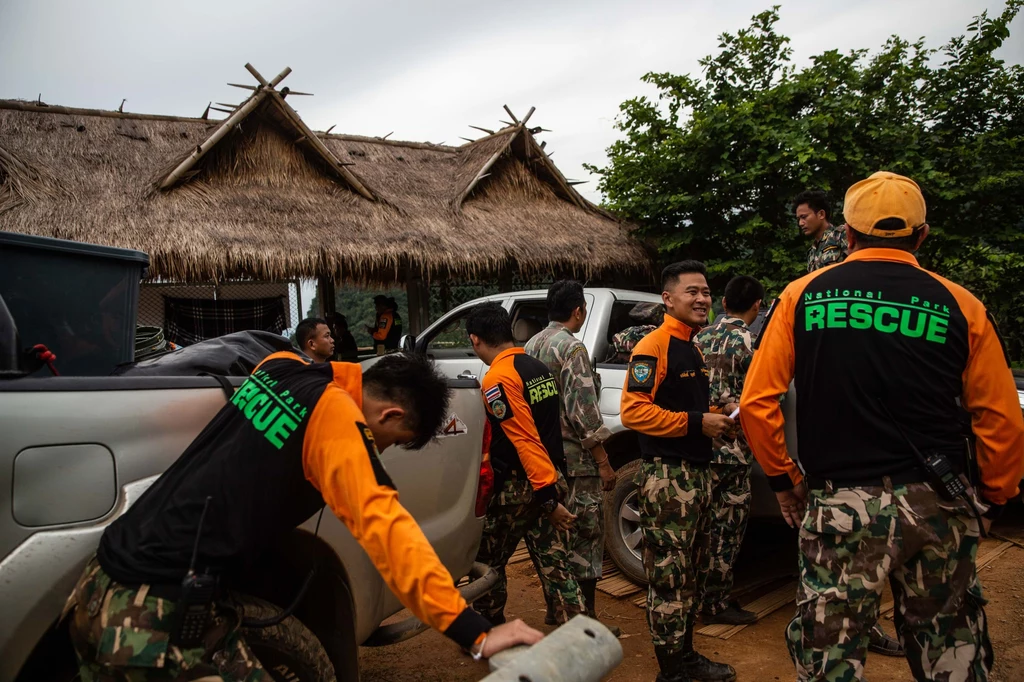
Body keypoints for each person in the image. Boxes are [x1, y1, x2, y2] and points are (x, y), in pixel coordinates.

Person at [67, 351, 543, 680]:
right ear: (391, 415)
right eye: (392, 442)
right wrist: (474, 631)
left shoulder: (280, 368)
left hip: (101, 584)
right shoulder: (336, 416)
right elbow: (385, 526)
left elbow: (277, 358)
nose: (382, 448)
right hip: (148, 614)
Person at [741, 171, 1024, 682]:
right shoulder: (962, 305)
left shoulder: (803, 295)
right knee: (951, 648)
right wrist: (996, 496)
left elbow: (758, 402)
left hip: (840, 506)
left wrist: (785, 481)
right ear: (921, 236)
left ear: (846, 234)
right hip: (938, 504)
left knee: (829, 654)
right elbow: (1000, 419)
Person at [621, 260, 739, 682]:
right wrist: (697, 422)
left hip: (697, 475)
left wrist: (715, 418)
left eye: (706, 291)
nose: (703, 298)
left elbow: (683, 408)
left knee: (689, 573)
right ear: (668, 299)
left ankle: (685, 657)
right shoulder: (653, 346)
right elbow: (634, 412)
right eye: (692, 291)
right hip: (668, 478)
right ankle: (672, 672)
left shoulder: (695, 345)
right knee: (670, 578)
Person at [466, 302, 587, 626]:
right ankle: (578, 632)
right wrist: (551, 491)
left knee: (487, 563)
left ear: (475, 340)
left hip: (520, 490)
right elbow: (549, 431)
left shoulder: (498, 379)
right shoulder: (536, 367)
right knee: (554, 562)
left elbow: (524, 440)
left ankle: (488, 626)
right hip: (548, 478)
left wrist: (547, 499)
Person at [523, 280, 619, 634]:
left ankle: (556, 608)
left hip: (544, 458)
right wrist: (604, 461)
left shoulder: (532, 345)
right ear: (578, 310)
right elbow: (583, 412)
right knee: (585, 536)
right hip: (577, 460)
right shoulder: (572, 348)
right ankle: (585, 621)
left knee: (554, 535)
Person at [692, 275, 763, 626]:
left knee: (699, 525)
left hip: (699, 445)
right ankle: (715, 603)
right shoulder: (752, 342)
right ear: (757, 306)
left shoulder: (698, 337)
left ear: (722, 303)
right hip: (733, 452)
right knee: (726, 532)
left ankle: (691, 596)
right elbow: (765, 400)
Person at [793, 189, 848, 272]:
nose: (800, 223)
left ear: (821, 214)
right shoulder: (812, 252)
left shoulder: (841, 235)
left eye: (804, 217)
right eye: (798, 219)